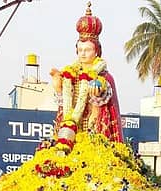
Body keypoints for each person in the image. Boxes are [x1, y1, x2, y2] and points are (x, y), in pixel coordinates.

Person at [48, 3, 123, 143]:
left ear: (97, 51)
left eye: (87, 50)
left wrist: (97, 93)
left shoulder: (104, 76)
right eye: (80, 50)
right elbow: (63, 107)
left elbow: (103, 109)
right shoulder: (69, 74)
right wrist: (58, 87)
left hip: (92, 133)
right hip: (72, 133)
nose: (83, 53)